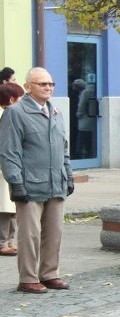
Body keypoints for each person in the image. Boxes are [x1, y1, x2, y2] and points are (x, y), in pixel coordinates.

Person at [0, 68, 74, 293]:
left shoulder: (56, 112)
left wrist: (68, 175)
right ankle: (28, 278)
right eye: (42, 84)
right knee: (29, 235)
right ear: (28, 86)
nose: (48, 87)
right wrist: (16, 182)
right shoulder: (16, 113)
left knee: (54, 232)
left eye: (51, 84)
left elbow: (64, 149)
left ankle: (49, 273)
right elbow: (9, 152)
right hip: (30, 183)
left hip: (56, 182)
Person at [0, 82, 25, 257]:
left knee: (12, 210)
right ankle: (3, 243)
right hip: (3, 170)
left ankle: (10, 241)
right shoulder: (7, 115)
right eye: (21, 98)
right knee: (4, 210)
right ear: (11, 99)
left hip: (12, 168)